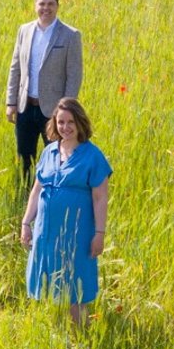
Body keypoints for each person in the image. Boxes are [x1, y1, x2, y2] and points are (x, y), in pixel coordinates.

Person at [18, 98, 110, 326]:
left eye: (70, 122)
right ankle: (55, 331)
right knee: (48, 277)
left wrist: (99, 233)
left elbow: (100, 198)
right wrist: (26, 223)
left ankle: (81, 337)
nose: (65, 127)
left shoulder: (93, 156)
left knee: (76, 280)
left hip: (77, 231)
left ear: (80, 123)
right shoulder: (49, 152)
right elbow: (36, 190)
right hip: (46, 231)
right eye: (60, 122)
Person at [6, 0, 83, 185]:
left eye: (50, 4)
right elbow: (15, 68)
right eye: (41, 4)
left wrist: (65, 111)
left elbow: (74, 75)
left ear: (57, 6)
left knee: (56, 158)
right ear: (35, 5)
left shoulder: (70, 35)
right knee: (25, 158)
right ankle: (25, 202)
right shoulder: (24, 30)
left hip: (53, 112)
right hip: (25, 107)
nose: (45, 8)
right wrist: (10, 103)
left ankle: (53, 197)